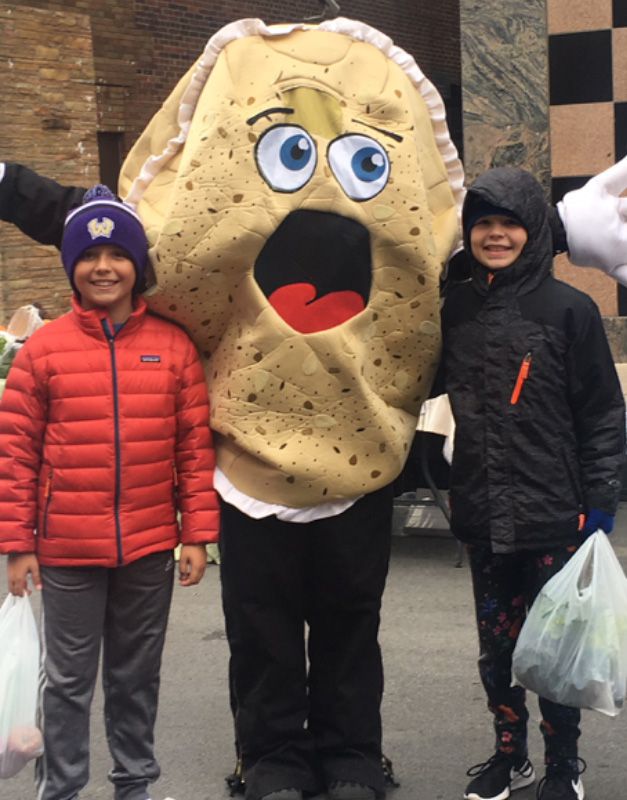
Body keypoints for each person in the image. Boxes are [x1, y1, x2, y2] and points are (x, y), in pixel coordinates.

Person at [0, 185, 220, 800]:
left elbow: (193, 450)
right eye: (90, 256)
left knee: (135, 677)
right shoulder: (43, 350)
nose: (104, 268)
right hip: (67, 548)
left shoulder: (172, 348)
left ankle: (134, 784)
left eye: (117, 255)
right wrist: (18, 544)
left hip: (149, 547)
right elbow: (15, 454)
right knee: (67, 680)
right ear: (72, 265)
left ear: (136, 266)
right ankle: (62, 787)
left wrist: (198, 533)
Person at [440, 167, 626, 800]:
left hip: (557, 514)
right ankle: (508, 755)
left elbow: (602, 410)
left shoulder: (568, 310)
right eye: (482, 224)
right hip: (484, 514)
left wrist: (601, 498)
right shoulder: (455, 309)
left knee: (553, 654)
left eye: (509, 223)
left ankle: (562, 766)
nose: (496, 235)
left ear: (535, 230)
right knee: (498, 654)